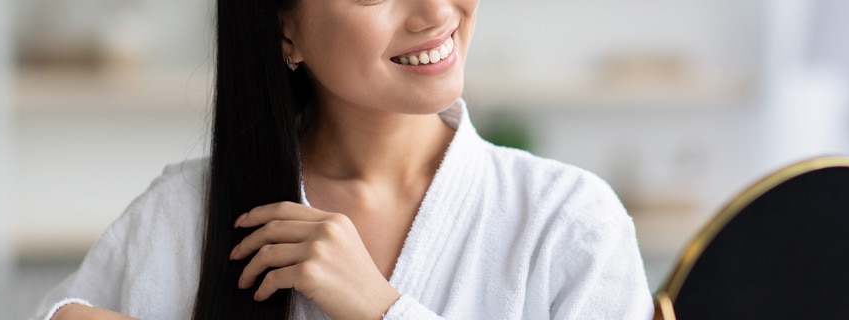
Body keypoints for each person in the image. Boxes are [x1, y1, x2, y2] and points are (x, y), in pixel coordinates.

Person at [32, 0, 652, 318]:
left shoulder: (570, 223)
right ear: (285, 32)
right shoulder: (183, 215)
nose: (436, 13)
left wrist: (378, 309)